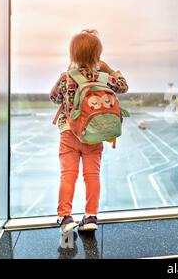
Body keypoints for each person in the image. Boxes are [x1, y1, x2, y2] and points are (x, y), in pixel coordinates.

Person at [50, 29, 129, 233]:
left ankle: (65, 217)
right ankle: (91, 215)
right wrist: (108, 69)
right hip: (94, 134)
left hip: (69, 133)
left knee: (68, 174)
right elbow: (123, 86)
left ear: (72, 54)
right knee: (92, 175)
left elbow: (54, 98)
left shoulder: (67, 77)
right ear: (98, 55)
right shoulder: (103, 77)